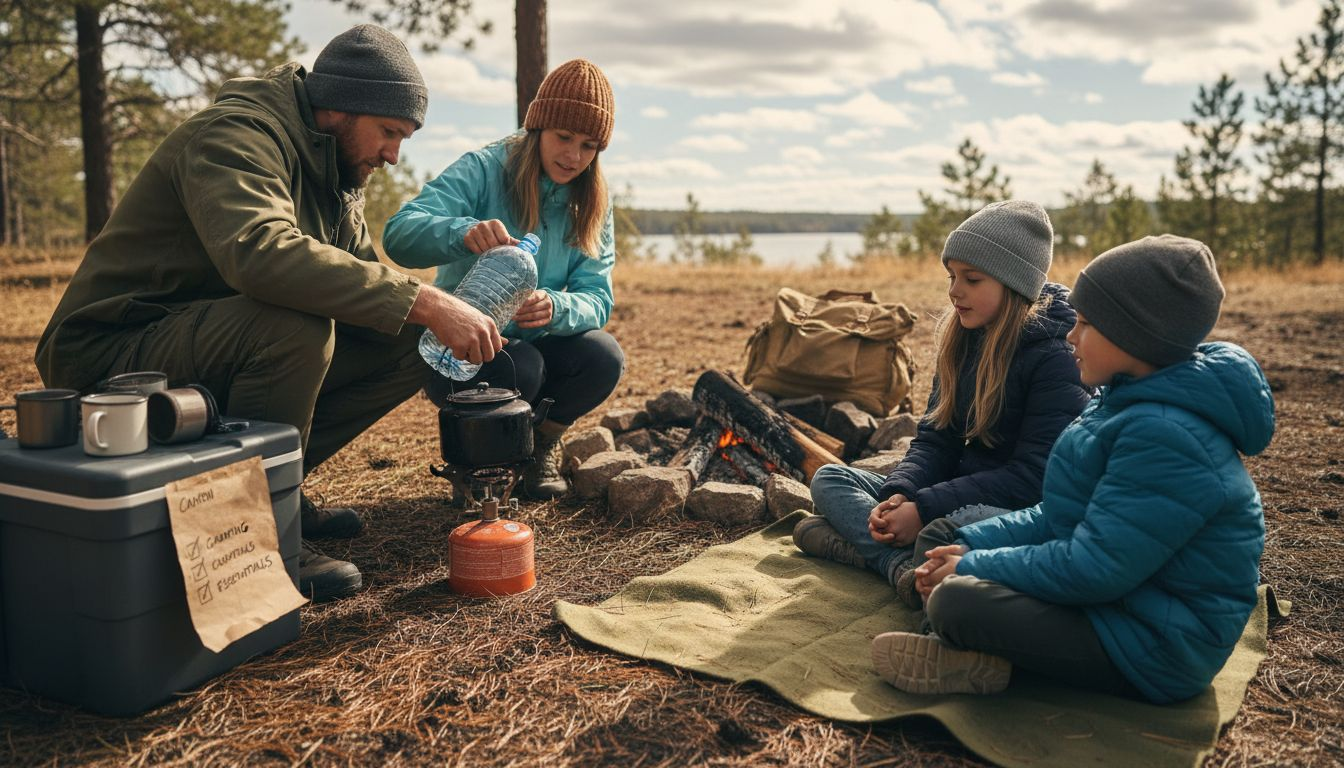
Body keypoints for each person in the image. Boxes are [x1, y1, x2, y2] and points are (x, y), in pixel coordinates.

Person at [34, 25, 504, 601]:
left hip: (203, 341)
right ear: (340, 108)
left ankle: (277, 484)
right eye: (388, 132)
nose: (392, 154)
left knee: (408, 338)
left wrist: (436, 312)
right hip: (110, 357)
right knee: (296, 326)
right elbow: (258, 254)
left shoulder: (331, 166)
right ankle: (246, 533)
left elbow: (357, 283)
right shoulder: (235, 134)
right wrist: (426, 299)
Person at [871, 235, 1275, 702]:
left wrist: (978, 564)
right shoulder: (1118, 402)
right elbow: (1056, 515)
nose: (1069, 336)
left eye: (1084, 323)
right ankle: (962, 646)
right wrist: (972, 543)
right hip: (1113, 605)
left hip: (1154, 645)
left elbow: (1094, 567)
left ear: (1134, 335)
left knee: (959, 600)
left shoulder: (1169, 438)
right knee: (942, 541)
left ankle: (958, 644)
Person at [795, 201, 1090, 598]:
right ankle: (897, 564)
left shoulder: (1057, 357)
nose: (954, 291)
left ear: (1015, 282)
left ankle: (868, 552)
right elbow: (936, 440)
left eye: (972, 279)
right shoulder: (963, 340)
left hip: (1011, 509)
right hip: (955, 489)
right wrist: (900, 492)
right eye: (952, 276)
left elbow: (1036, 477)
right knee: (832, 478)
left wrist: (925, 509)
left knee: (947, 528)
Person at [383, 59, 623, 500]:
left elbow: (597, 296)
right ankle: (478, 467)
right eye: (563, 137)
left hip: (533, 341)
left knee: (602, 357)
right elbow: (399, 234)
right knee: (521, 365)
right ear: (538, 128)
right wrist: (462, 232)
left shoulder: (590, 200)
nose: (573, 156)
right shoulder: (485, 168)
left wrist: (558, 305)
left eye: (589, 145)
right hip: (458, 351)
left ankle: (536, 449)